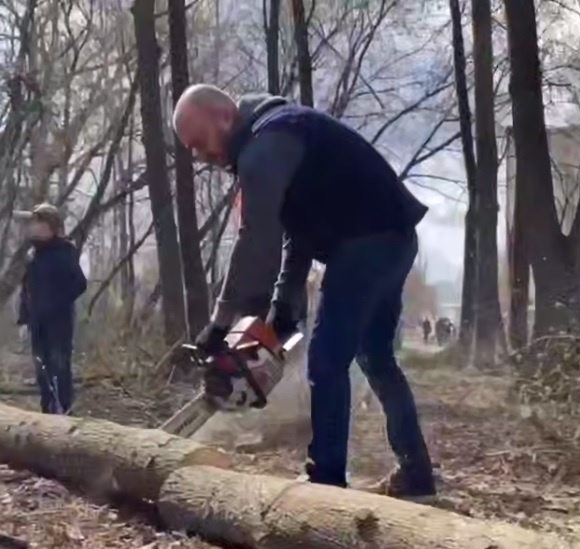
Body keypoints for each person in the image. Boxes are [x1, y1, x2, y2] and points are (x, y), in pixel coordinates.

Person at [171, 84, 436, 501]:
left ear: (223, 117)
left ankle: (326, 482)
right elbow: (298, 237)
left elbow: (256, 238)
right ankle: (417, 476)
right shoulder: (283, 135)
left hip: (367, 240)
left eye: (199, 143)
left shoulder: (266, 147)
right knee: (376, 358)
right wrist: (281, 311)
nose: (199, 156)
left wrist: (221, 323)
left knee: (327, 359)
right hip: (395, 238)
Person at [17, 204, 88, 414]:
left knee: (59, 365)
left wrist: (56, 303)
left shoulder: (65, 251)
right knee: (41, 366)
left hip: (59, 321)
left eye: (38, 223)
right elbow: (26, 288)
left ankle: (64, 409)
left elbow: (79, 283)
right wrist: (23, 318)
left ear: (50, 226)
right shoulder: (33, 254)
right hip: (37, 321)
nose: (33, 227)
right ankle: (47, 409)